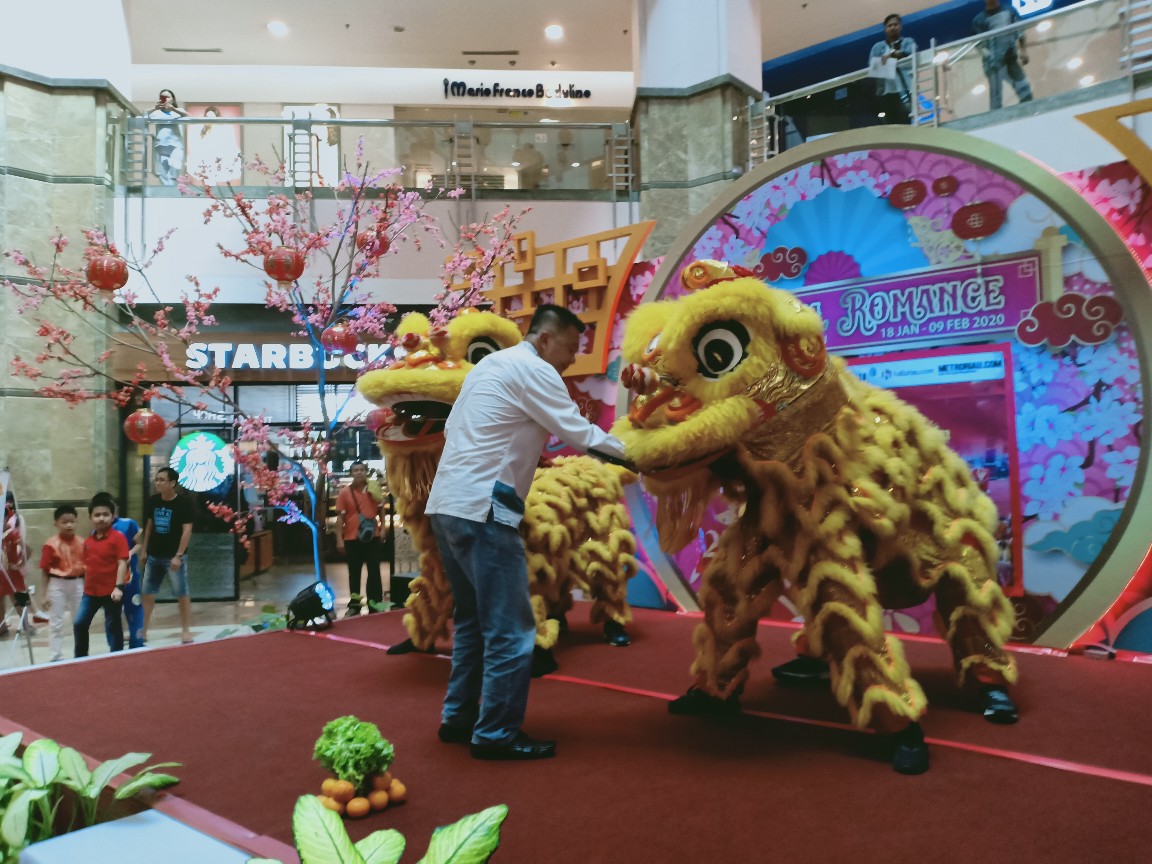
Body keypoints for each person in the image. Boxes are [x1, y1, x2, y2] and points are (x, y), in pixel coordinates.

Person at [426, 303, 630, 761]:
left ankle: (458, 717)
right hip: (484, 510)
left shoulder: (490, 368)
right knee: (513, 629)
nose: (572, 359)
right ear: (544, 339)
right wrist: (644, 454)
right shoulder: (534, 370)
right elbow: (582, 435)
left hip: (447, 505)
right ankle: (495, 733)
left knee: (473, 622)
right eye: (570, 348)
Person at [141, 467, 195, 644]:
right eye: (156, 479)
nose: (158, 483)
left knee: (182, 593)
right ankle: (143, 630)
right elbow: (149, 526)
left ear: (173, 483)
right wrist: (144, 550)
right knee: (148, 593)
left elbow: (187, 531)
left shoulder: (184, 503)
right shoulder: (153, 501)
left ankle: (186, 630)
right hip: (154, 555)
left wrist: (178, 555)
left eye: (162, 480)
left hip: (174, 557)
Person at [73, 492, 130, 658]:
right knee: (79, 624)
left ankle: (116, 657)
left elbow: (122, 563)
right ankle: (81, 658)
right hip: (90, 592)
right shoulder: (88, 541)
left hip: (112, 592)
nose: (101, 518)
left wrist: (119, 587)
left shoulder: (118, 538)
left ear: (113, 516)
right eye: (97, 515)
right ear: (91, 517)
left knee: (112, 625)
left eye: (106, 514)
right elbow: (87, 566)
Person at [334, 461, 383, 616]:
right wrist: (339, 539)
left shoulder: (374, 489)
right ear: (351, 473)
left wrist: (383, 530)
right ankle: (355, 604)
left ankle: (374, 603)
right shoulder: (344, 493)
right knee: (354, 573)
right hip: (351, 538)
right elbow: (340, 518)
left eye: (362, 470)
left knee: (374, 571)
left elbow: (381, 510)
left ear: (366, 472)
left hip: (372, 537)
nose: (359, 472)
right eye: (356, 470)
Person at [39, 504, 86, 661]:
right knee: (56, 621)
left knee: (80, 620)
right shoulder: (50, 544)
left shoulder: (82, 543)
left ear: (76, 522)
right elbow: (45, 571)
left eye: (72, 521)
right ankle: (56, 655)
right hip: (57, 584)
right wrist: (43, 594)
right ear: (56, 524)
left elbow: (88, 568)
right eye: (64, 522)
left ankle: (81, 653)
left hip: (78, 582)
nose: (69, 525)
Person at [973, 0, 1033, 111]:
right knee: (996, 94)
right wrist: (986, 53)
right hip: (993, 64)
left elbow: (1020, 31)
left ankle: (1028, 109)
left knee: (1023, 87)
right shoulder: (979, 20)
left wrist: (1023, 51)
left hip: (1010, 57)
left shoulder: (1009, 11)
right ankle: (996, 117)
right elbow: (979, 43)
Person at [104, 493, 145, 650]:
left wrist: (130, 553)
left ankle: (137, 643)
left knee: (134, 609)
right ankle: (115, 647)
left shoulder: (129, 524)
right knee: (111, 614)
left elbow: (138, 544)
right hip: (109, 581)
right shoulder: (97, 531)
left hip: (130, 579)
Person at [868, 13, 917, 125]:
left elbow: (912, 55)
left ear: (900, 26)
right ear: (885, 29)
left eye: (895, 24)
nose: (893, 27)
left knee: (908, 121)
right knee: (892, 125)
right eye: (889, 25)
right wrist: (894, 57)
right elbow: (872, 68)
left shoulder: (908, 42)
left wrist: (891, 56)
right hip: (887, 93)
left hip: (908, 88)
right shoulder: (877, 47)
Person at [0, 492, 30, 637]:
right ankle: (1, 626)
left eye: (3, 516)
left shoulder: (12, 534)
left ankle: (26, 625)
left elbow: (27, 549)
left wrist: (21, 563)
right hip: (0, 573)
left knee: (18, 599)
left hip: (12, 573)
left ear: (8, 517)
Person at [148, 89, 187, 186]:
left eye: (167, 97)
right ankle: (166, 190)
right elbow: (143, 114)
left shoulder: (178, 111)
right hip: (160, 145)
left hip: (176, 145)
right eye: (162, 97)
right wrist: (155, 108)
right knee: (163, 173)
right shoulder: (157, 113)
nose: (165, 99)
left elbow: (189, 116)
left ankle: (175, 189)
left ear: (173, 100)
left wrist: (173, 108)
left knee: (175, 167)